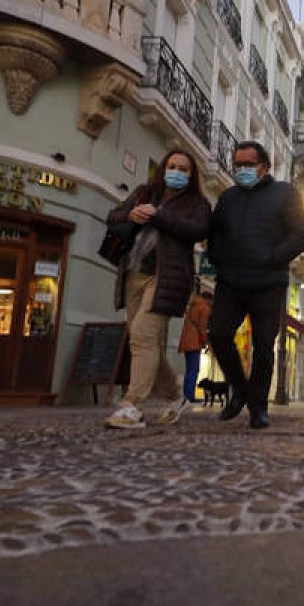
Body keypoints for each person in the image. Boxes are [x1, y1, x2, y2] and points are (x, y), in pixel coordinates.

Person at [103, 150, 212, 429]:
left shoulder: (196, 203)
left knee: (141, 335)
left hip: (167, 278)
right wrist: (131, 214)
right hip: (132, 273)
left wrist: (158, 217)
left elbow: (198, 230)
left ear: (191, 175)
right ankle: (177, 397)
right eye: (172, 166)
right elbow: (112, 217)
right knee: (144, 340)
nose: (176, 171)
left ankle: (132, 406)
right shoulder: (144, 192)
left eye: (183, 169)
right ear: (163, 168)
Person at [206, 141, 304, 429]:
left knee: (264, 345)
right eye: (238, 165)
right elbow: (215, 234)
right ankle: (239, 390)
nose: (242, 170)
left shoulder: (285, 193)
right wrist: (219, 261)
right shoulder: (228, 197)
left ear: (264, 167)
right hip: (231, 281)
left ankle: (258, 408)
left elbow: (299, 234)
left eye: (248, 165)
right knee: (219, 334)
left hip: (268, 282)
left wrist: (272, 258)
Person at [178, 289, 213, 403]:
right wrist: (205, 342)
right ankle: (189, 396)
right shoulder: (204, 308)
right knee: (194, 369)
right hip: (194, 342)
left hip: (187, 341)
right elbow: (202, 328)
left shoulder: (194, 305)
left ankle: (186, 395)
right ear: (209, 299)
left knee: (189, 370)